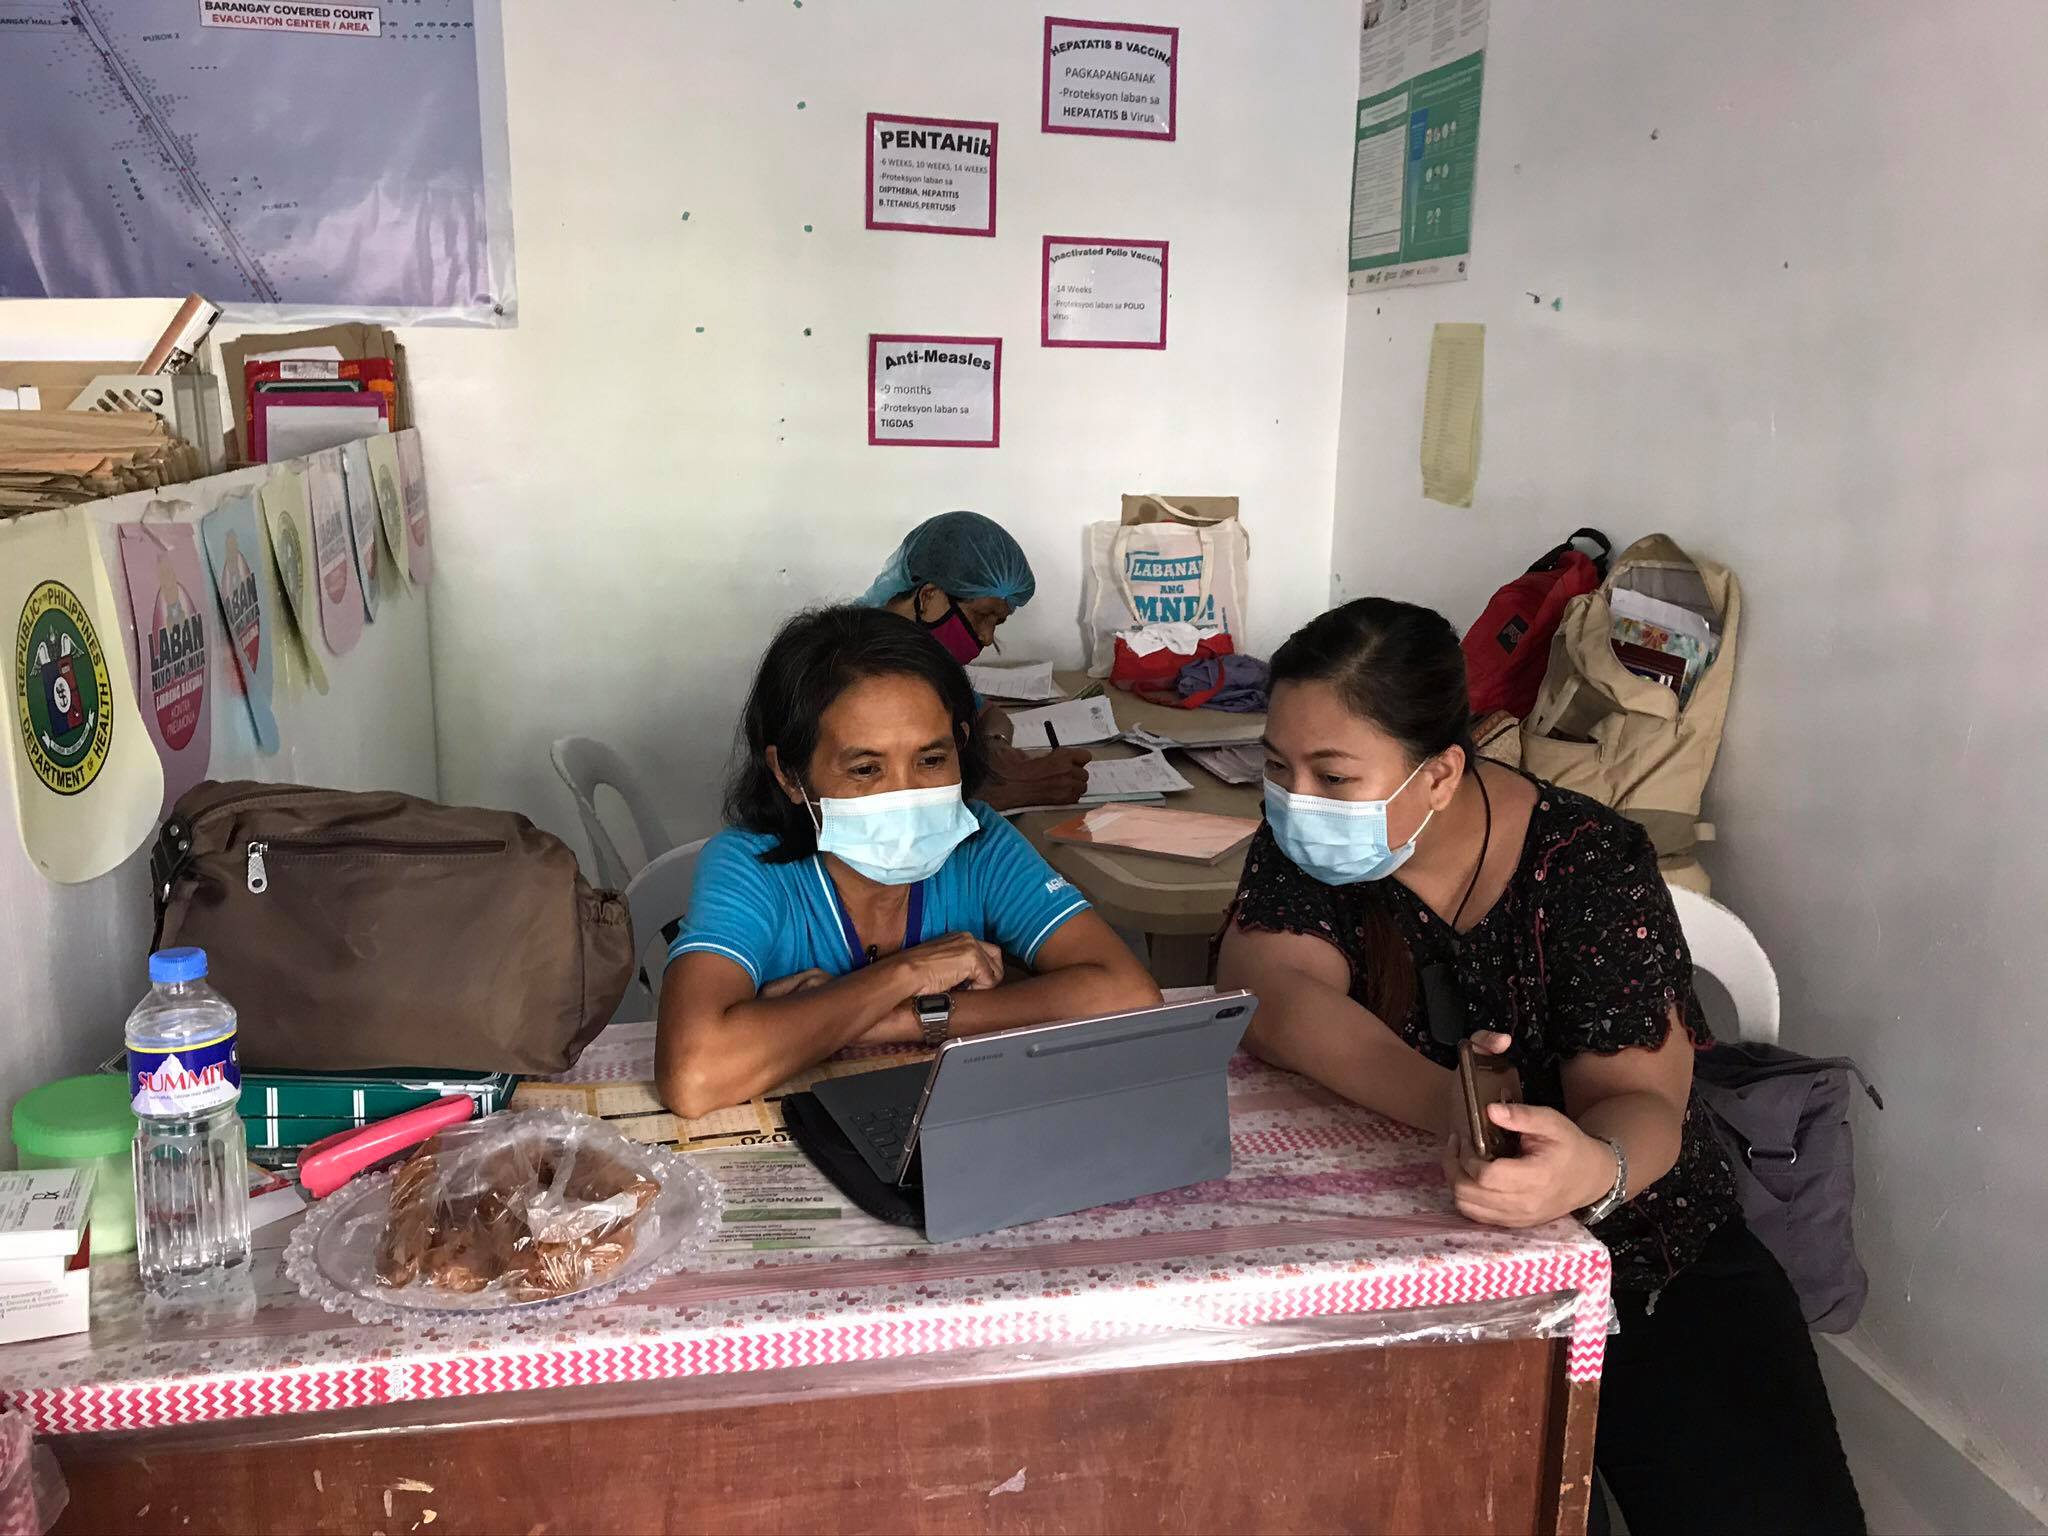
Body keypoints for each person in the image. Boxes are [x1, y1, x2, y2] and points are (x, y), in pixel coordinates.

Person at [1214, 597, 1863, 1536]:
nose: (1296, 800)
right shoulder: (1306, 847)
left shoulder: (1589, 864)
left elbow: (1642, 1099)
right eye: (1277, 768)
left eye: (1333, 775)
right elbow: (1272, 990)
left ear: (1439, 773)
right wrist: (1455, 1106)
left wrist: (1590, 1170)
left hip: (1644, 1259)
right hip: (1422, 1265)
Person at [657, 605, 1161, 1118]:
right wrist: (910, 971)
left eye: (931, 760)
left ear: (961, 747)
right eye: (866, 768)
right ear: (789, 775)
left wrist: (894, 1017)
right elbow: (693, 1076)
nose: (906, 793)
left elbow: (1127, 993)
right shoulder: (752, 868)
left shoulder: (982, 845)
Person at [859, 511, 1095, 811]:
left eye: (997, 622)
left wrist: (995, 744)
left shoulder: (924, 658)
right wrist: (1014, 791)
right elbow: (888, 797)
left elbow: (986, 713)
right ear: (929, 596)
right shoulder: (861, 663)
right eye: (981, 615)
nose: (986, 637)